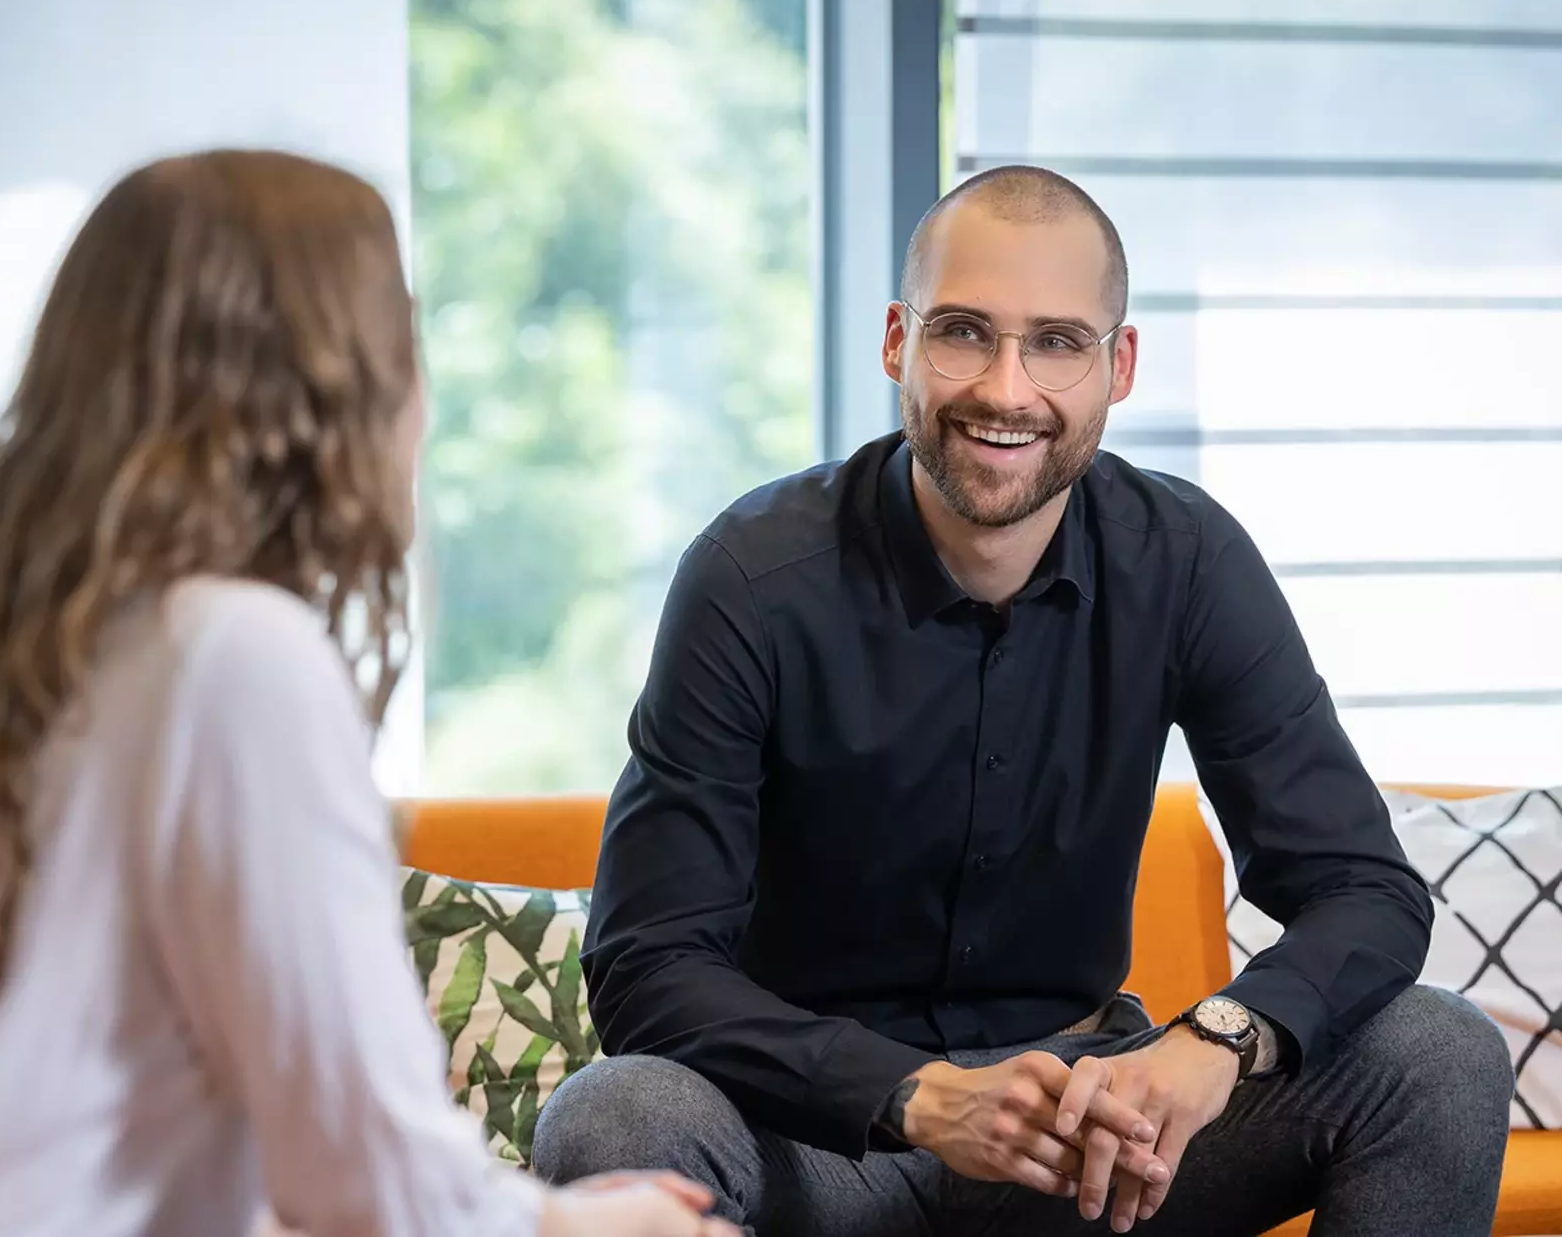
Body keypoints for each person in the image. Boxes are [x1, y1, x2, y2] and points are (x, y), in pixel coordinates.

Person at [0, 150, 735, 1237]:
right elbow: (371, 1180)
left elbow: (70, 1148)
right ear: (336, 395)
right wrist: (592, 1229)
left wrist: (518, 1209)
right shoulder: (230, 655)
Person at [530, 165, 1515, 1237]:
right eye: (965, 333)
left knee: (1436, 1049)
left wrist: (1216, 1039)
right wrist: (912, 1094)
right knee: (614, 1113)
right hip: (822, 1146)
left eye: (1057, 342)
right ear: (897, 342)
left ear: (1117, 364)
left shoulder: (1185, 561)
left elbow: (1366, 891)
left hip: (1091, 1136)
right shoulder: (749, 578)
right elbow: (647, 966)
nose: (1007, 390)